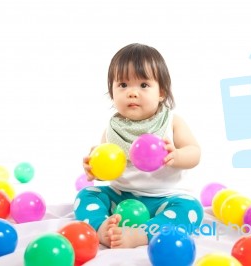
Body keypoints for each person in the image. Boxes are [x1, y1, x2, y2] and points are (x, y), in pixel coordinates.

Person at [74, 43, 203, 249]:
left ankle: (143, 234)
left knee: (191, 208)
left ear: (161, 92)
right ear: (112, 92)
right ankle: (101, 228)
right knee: (87, 195)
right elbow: (107, 170)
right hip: (121, 197)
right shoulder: (112, 129)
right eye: (123, 85)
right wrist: (95, 170)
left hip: (165, 199)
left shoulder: (171, 122)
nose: (132, 93)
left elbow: (194, 152)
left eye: (143, 85)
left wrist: (177, 156)